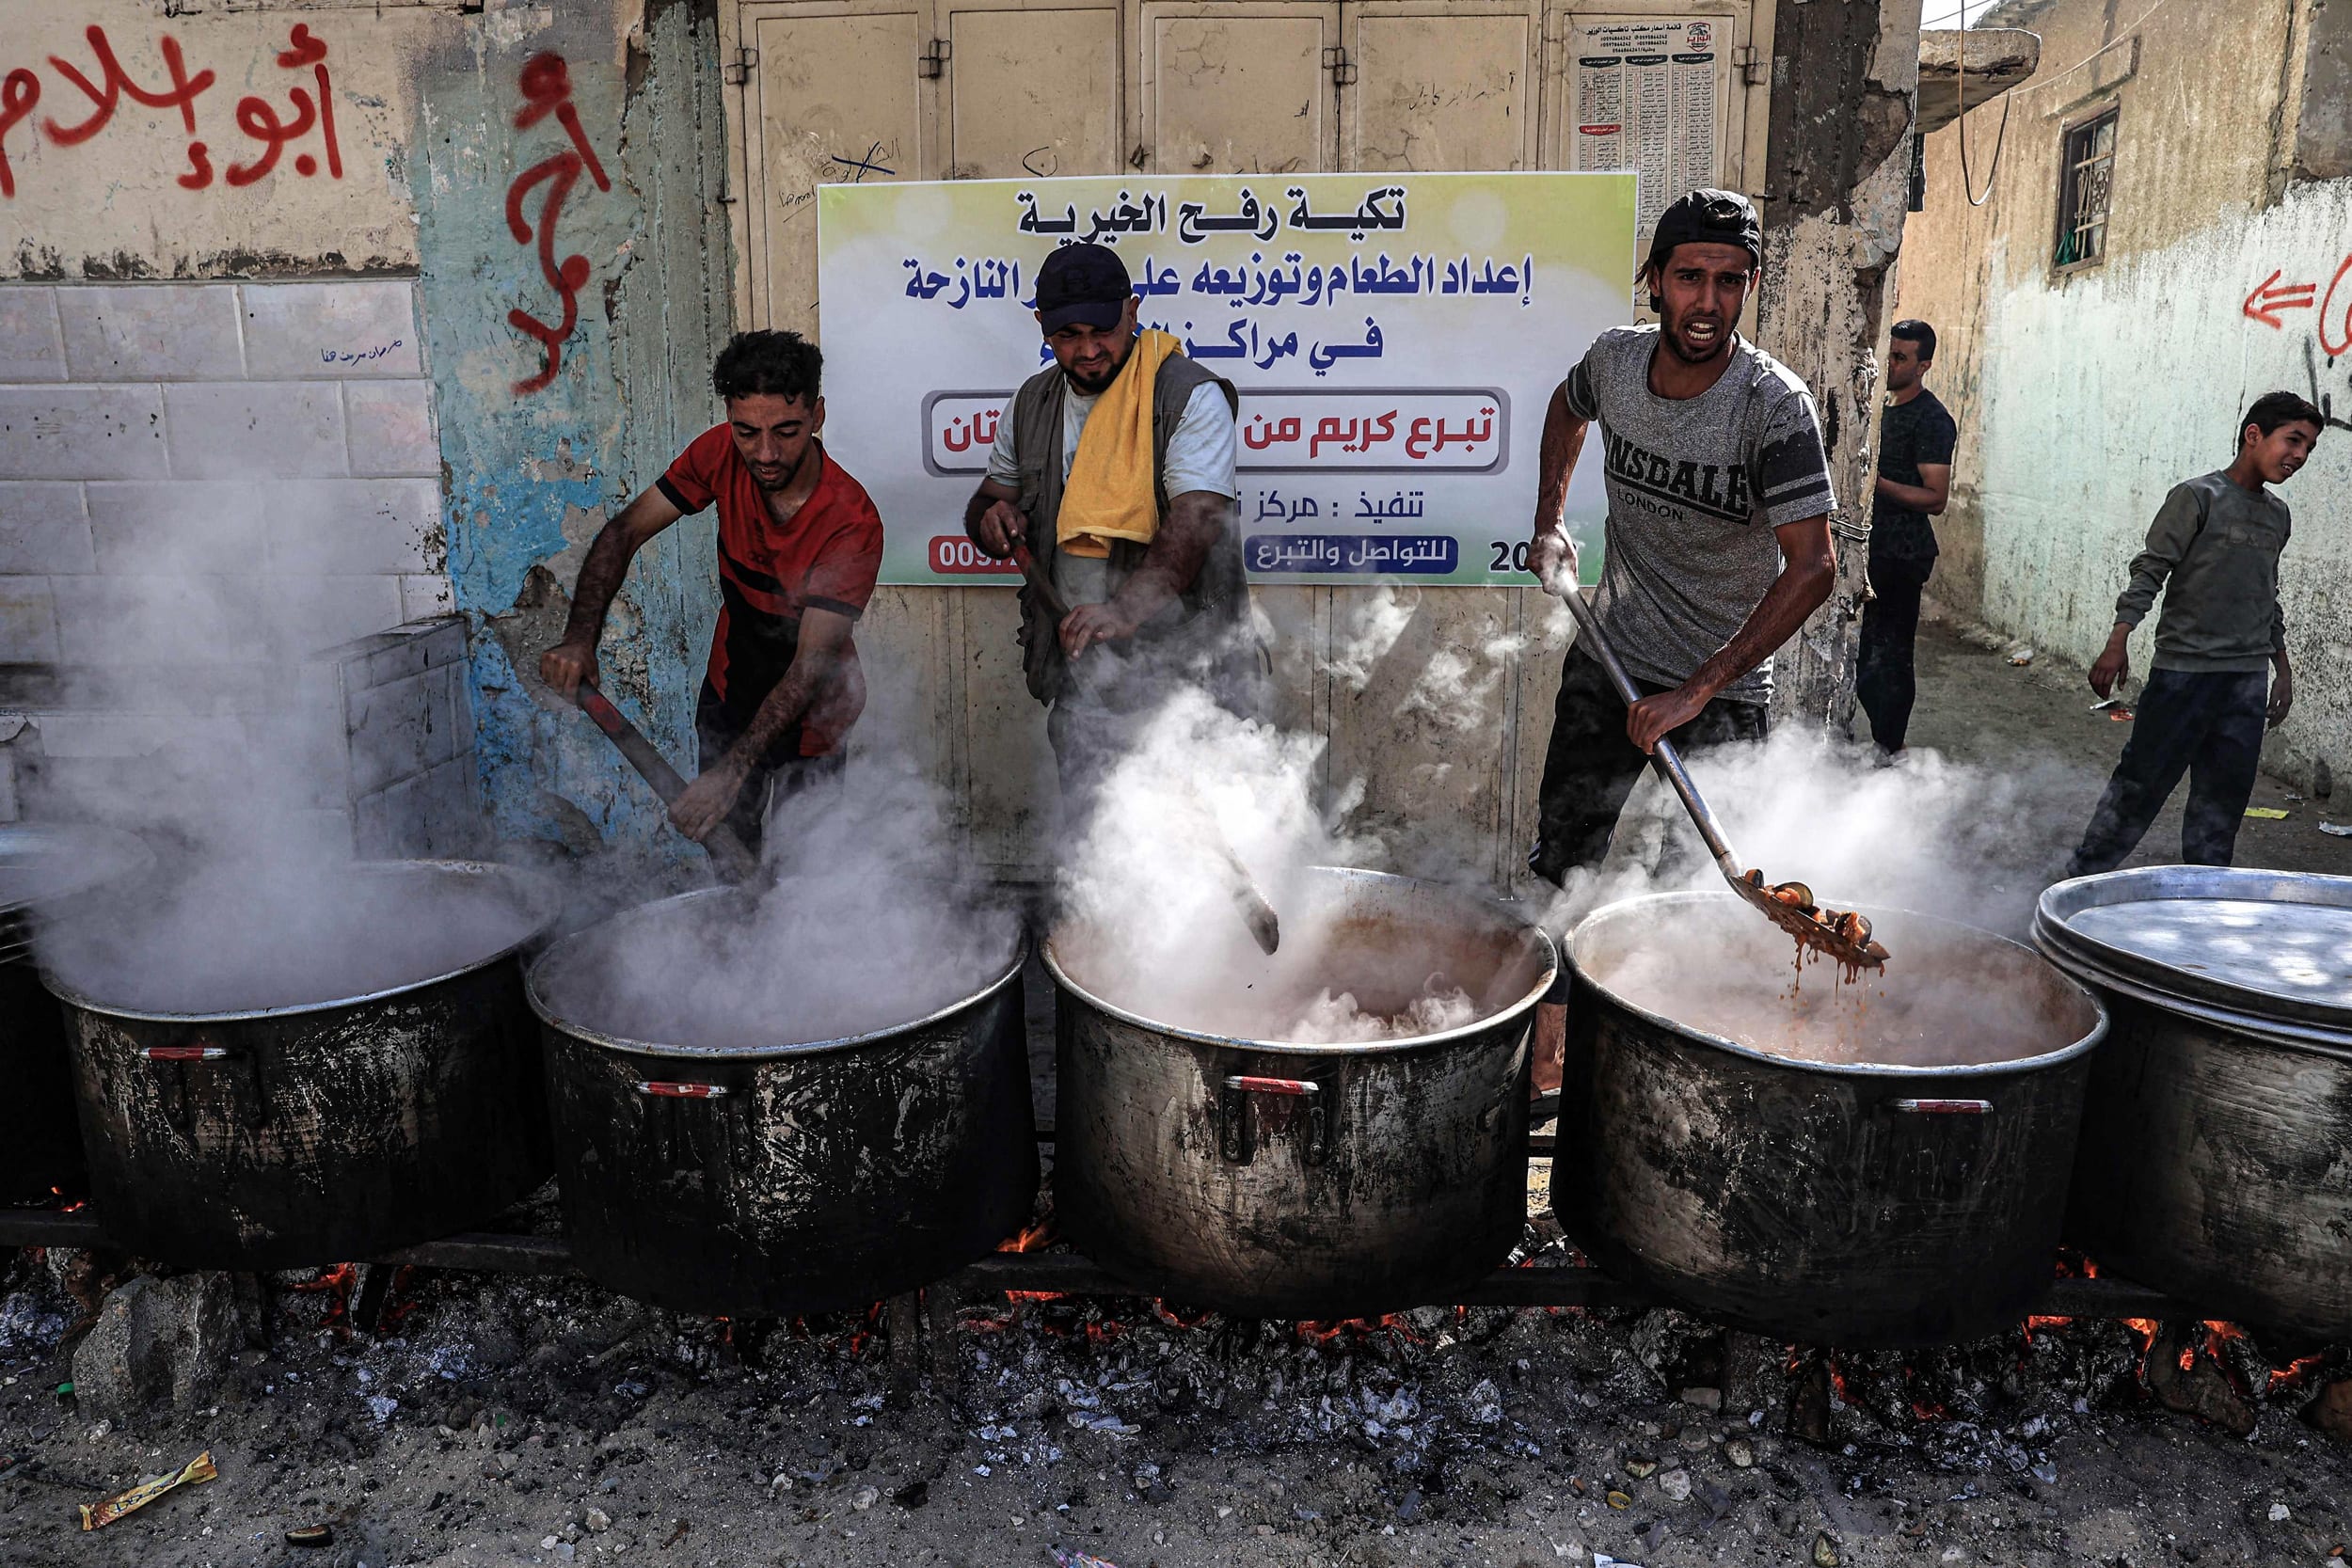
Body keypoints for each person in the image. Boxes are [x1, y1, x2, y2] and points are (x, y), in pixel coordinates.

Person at [1520, 187, 1837, 1091]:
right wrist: (1551, 521)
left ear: (1751, 287)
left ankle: (1659, 1081)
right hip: (1612, 655)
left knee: (1687, 894)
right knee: (1563, 858)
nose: (1708, 301)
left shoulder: (1772, 409)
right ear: (1654, 281)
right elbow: (1564, 407)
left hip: (1724, 693)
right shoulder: (1614, 366)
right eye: (1690, 277)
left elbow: (1812, 567)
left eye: (1730, 281)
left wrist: (1698, 689)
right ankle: (1548, 1060)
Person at [539, 330, 884, 856]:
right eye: (747, 432)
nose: (765, 453)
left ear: (817, 416)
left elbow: (811, 664)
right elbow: (625, 530)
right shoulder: (719, 453)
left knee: (808, 874)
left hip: (814, 713)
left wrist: (735, 770)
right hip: (731, 689)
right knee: (728, 856)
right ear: (729, 418)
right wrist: (580, 636)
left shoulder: (851, 521)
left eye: (787, 431)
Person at [961, 241, 1259, 822]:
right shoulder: (1030, 404)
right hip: (1081, 664)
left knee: (1198, 834)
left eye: (1101, 330)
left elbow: (1196, 519)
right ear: (1042, 327)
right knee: (1099, 840)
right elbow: (990, 502)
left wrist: (1125, 609)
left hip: (1187, 668)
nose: (1089, 350)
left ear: (1132, 310)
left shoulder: (1189, 397)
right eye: (1068, 336)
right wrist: (991, 521)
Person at [2061, 391, 2315, 878]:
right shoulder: (2198, 497)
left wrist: (2280, 667)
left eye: (2308, 448)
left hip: (2244, 683)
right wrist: (2119, 640)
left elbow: (2268, 595)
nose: (2299, 456)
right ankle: (2079, 883)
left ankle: (2204, 901)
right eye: (2293, 440)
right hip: (2183, 676)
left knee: (2221, 809)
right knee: (2139, 788)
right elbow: (2150, 571)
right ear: (2254, 435)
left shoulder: (2277, 516)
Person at [1853, 319, 1956, 759]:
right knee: (1863, 654)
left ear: (1924, 365)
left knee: (1890, 656)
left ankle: (1889, 748)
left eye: (1900, 357)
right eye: (1887, 353)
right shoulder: (1878, 408)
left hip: (1901, 554)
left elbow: (1935, 497)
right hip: (1869, 548)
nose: (1889, 363)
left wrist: (1872, 482)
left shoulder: (1932, 420)